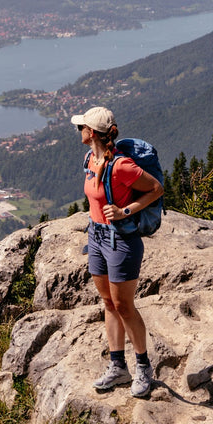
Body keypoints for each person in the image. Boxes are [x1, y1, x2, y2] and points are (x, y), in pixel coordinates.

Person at [73, 105, 165, 398]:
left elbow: (156, 189)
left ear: (92, 133)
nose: (79, 131)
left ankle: (143, 367)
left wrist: (125, 210)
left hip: (121, 240)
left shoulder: (122, 166)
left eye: (81, 127)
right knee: (108, 303)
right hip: (97, 236)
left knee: (124, 305)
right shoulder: (91, 158)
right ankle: (117, 366)